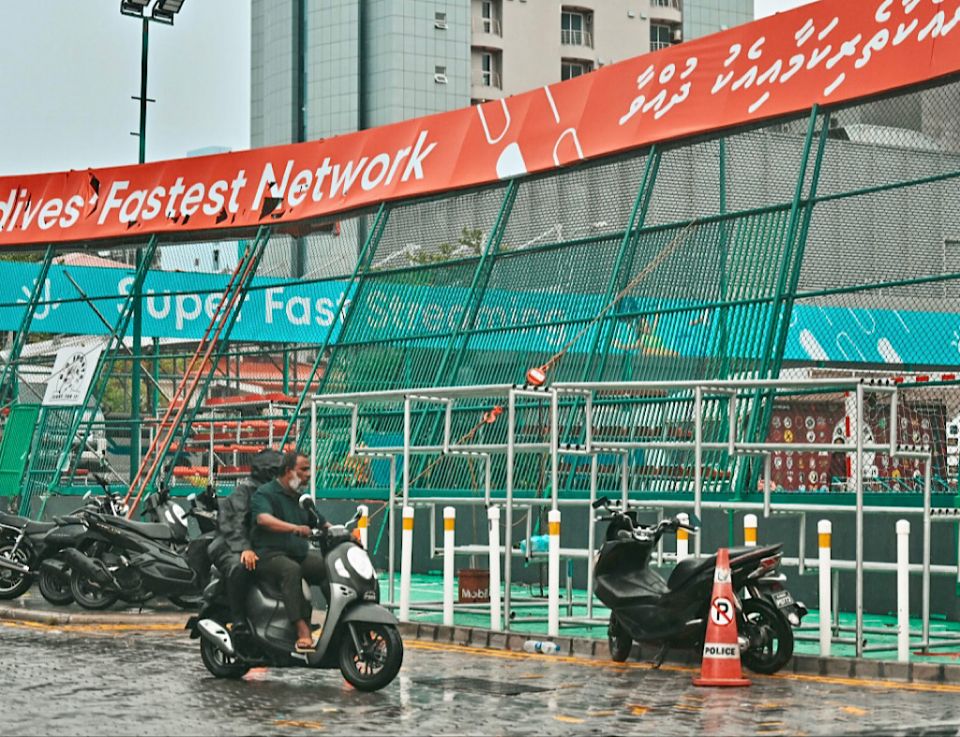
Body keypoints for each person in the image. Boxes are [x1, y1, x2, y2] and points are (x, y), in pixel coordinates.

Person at [250, 451, 329, 651]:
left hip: (297, 553)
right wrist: (294, 528)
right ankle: (302, 630)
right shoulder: (265, 493)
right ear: (288, 471)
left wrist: (344, 533)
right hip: (269, 555)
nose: (309, 474)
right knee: (291, 570)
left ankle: (341, 621)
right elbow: (263, 519)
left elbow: (322, 522)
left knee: (327, 567)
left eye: (309, 469)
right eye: (303, 469)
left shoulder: (302, 499)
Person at [208, 448, 284, 632]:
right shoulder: (245, 491)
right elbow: (234, 525)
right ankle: (239, 619)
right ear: (269, 472)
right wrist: (245, 548)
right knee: (241, 566)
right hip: (229, 545)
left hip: (260, 546)